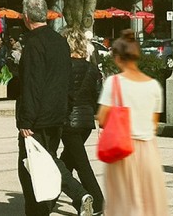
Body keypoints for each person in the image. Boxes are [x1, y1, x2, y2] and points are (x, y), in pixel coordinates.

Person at [16, 0, 93, 216]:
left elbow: (32, 84)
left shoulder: (33, 44)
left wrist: (26, 120)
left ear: (26, 17)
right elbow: (67, 81)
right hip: (57, 114)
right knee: (46, 160)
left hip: (37, 117)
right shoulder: (60, 41)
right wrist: (66, 108)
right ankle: (48, 207)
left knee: (32, 166)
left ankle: (78, 194)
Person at [96, 29, 168, 216]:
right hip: (148, 151)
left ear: (118, 57)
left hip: (123, 151)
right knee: (147, 205)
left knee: (124, 205)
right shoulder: (154, 85)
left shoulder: (114, 83)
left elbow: (102, 118)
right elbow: (153, 125)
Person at [60, 29, 104, 215]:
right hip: (86, 122)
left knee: (81, 164)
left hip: (68, 122)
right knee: (66, 162)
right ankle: (48, 201)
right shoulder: (93, 69)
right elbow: (97, 97)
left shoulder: (63, 67)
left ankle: (97, 201)